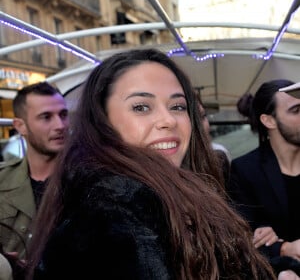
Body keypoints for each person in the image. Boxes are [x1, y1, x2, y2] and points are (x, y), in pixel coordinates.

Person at [25, 48, 275, 280]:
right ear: (103, 121)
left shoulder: (180, 189)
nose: (168, 120)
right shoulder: (114, 207)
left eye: (178, 106)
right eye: (142, 107)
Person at [227, 79, 300, 279]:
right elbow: (242, 242)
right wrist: (283, 249)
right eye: (296, 110)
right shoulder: (245, 171)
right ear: (269, 120)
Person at [0, 82, 69, 260]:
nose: (60, 125)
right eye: (46, 117)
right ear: (20, 126)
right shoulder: (2, 180)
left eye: (63, 114)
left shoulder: (91, 181)